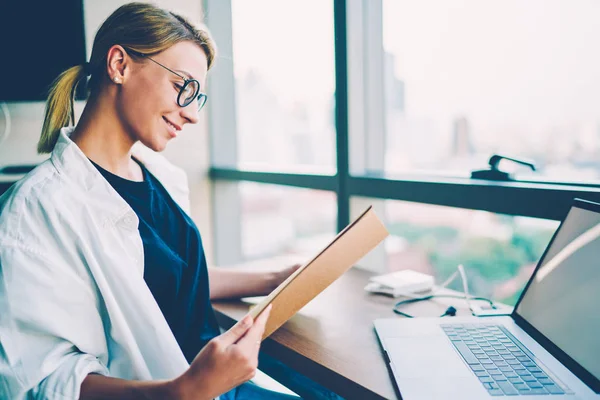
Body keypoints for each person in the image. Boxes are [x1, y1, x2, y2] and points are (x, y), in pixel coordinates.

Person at [0, 3, 337, 399]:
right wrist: (184, 390)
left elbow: (161, 278)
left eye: (198, 96)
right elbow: (45, 382)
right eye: (184, 86)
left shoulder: (157, 175)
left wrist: (274, 281)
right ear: (119, 65)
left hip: (218, 383)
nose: (192, 114)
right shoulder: (33, 213)